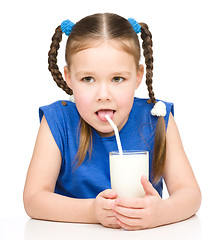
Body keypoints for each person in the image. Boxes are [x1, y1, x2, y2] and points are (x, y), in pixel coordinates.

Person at [23, 13, 201, 230]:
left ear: (137, 76)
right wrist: (92, 212)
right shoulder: (58, 122)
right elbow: (34, 199)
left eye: (117, 79)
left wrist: (161, 212)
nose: (103, 94)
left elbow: (190, 194)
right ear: (69, 78)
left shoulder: (157, 118)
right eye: (88, 79)